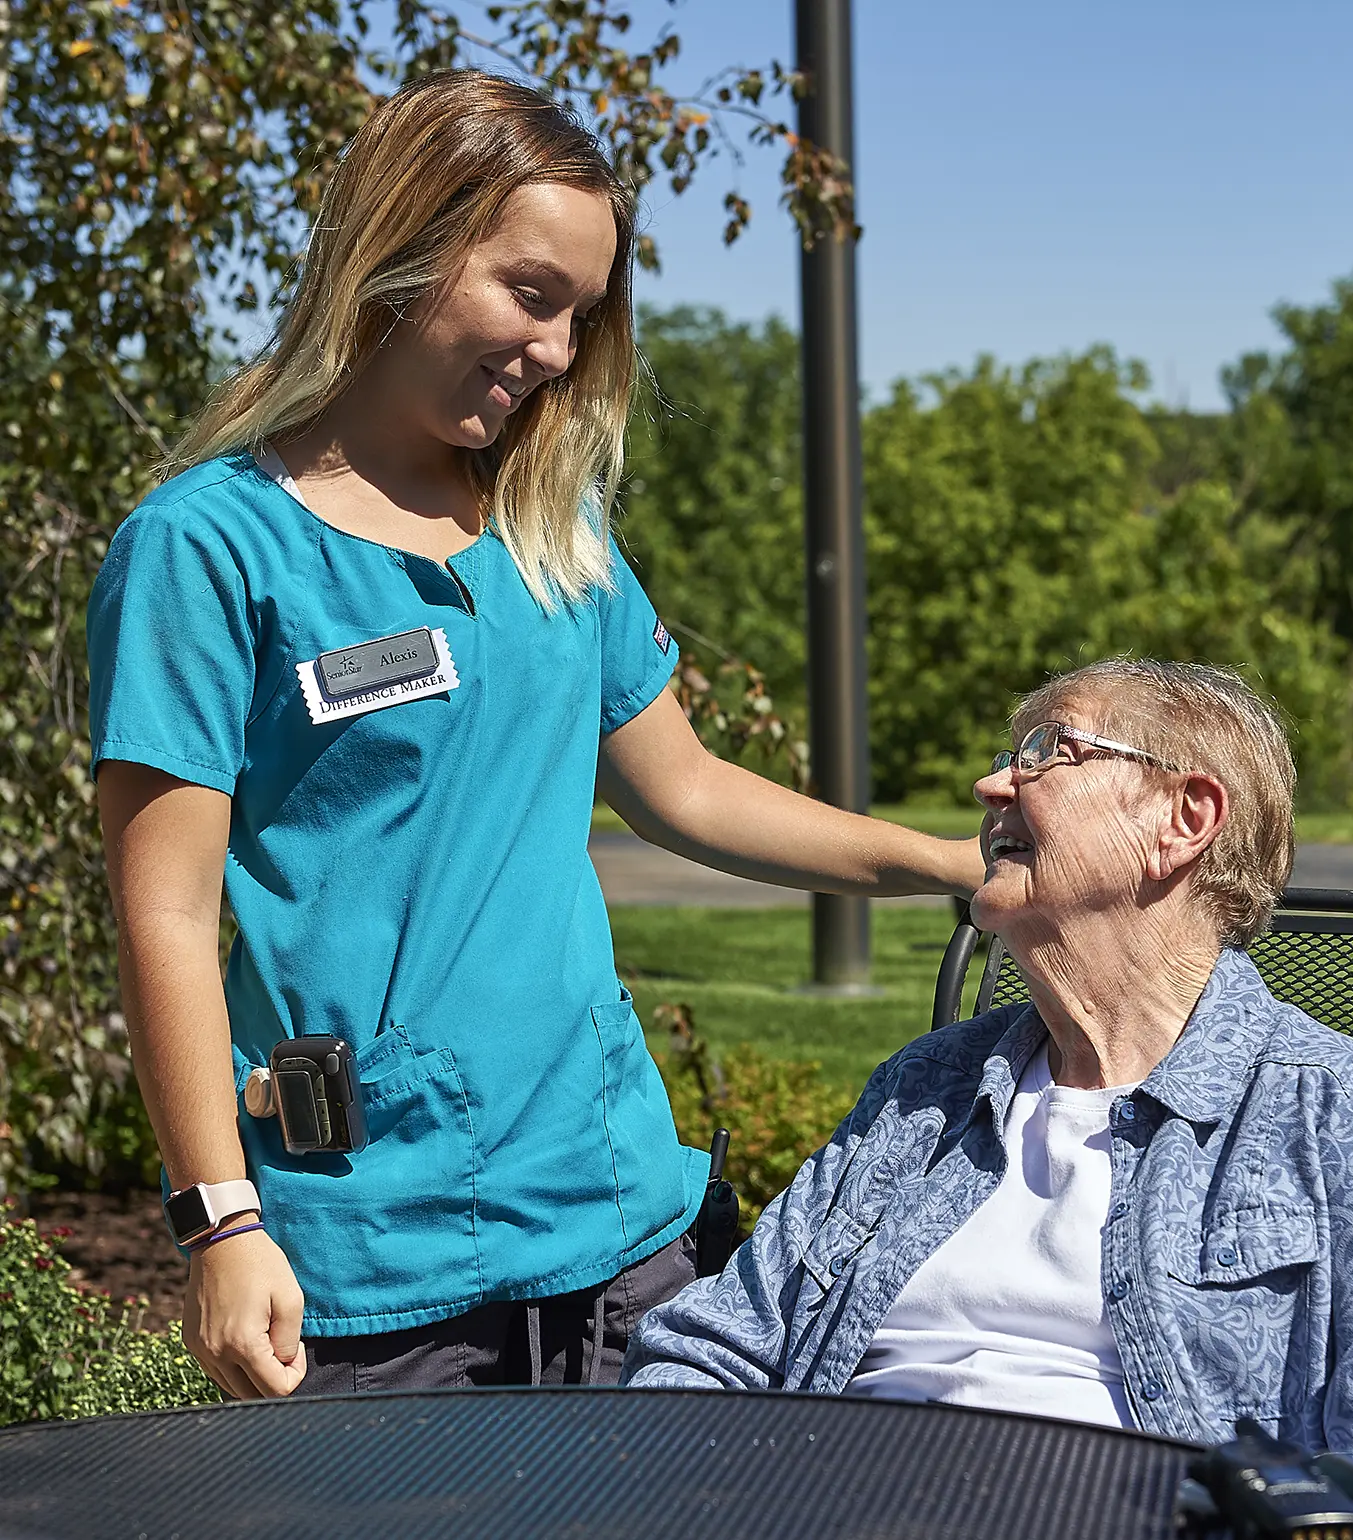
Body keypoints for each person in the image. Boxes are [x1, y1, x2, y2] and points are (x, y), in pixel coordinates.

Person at [88, 69, 982, 1402]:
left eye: (584, 313)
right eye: (531, 293)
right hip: (371, 1264)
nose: (560, 353)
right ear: (402, 254)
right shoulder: (208, 549)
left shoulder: (552, 535)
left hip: (624, 1225)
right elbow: (163, 915)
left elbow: (685, 789)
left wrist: (949, 867)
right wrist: (219, 1220)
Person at [623, 658, 1353, 1539]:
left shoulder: (1326, 1108)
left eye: (1047, 752)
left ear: (1184, 818)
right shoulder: (925, 1087)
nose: (989, 786)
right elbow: (711, 1346)